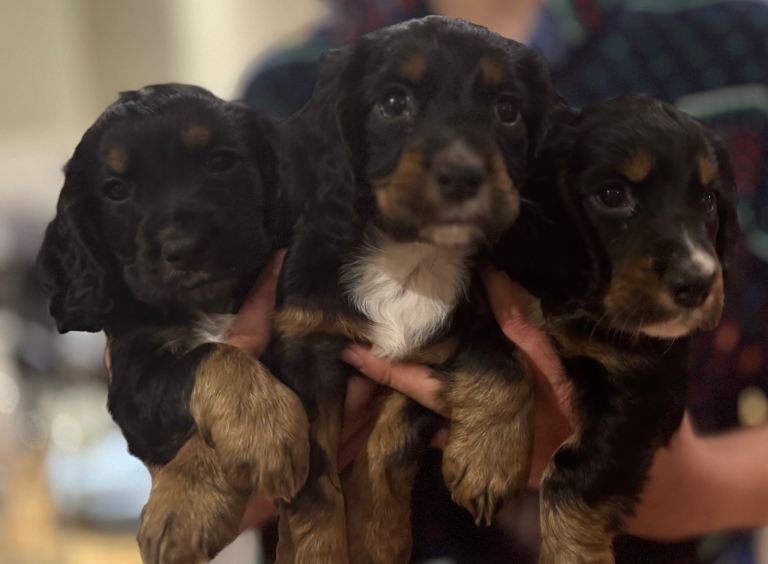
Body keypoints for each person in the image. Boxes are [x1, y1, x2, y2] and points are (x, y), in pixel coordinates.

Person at [235, 0, 768, 560]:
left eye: (506, 113)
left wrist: (686, 488)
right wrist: (232, 460)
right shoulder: (288, 84)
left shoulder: (733, 47)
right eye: (394, 103)